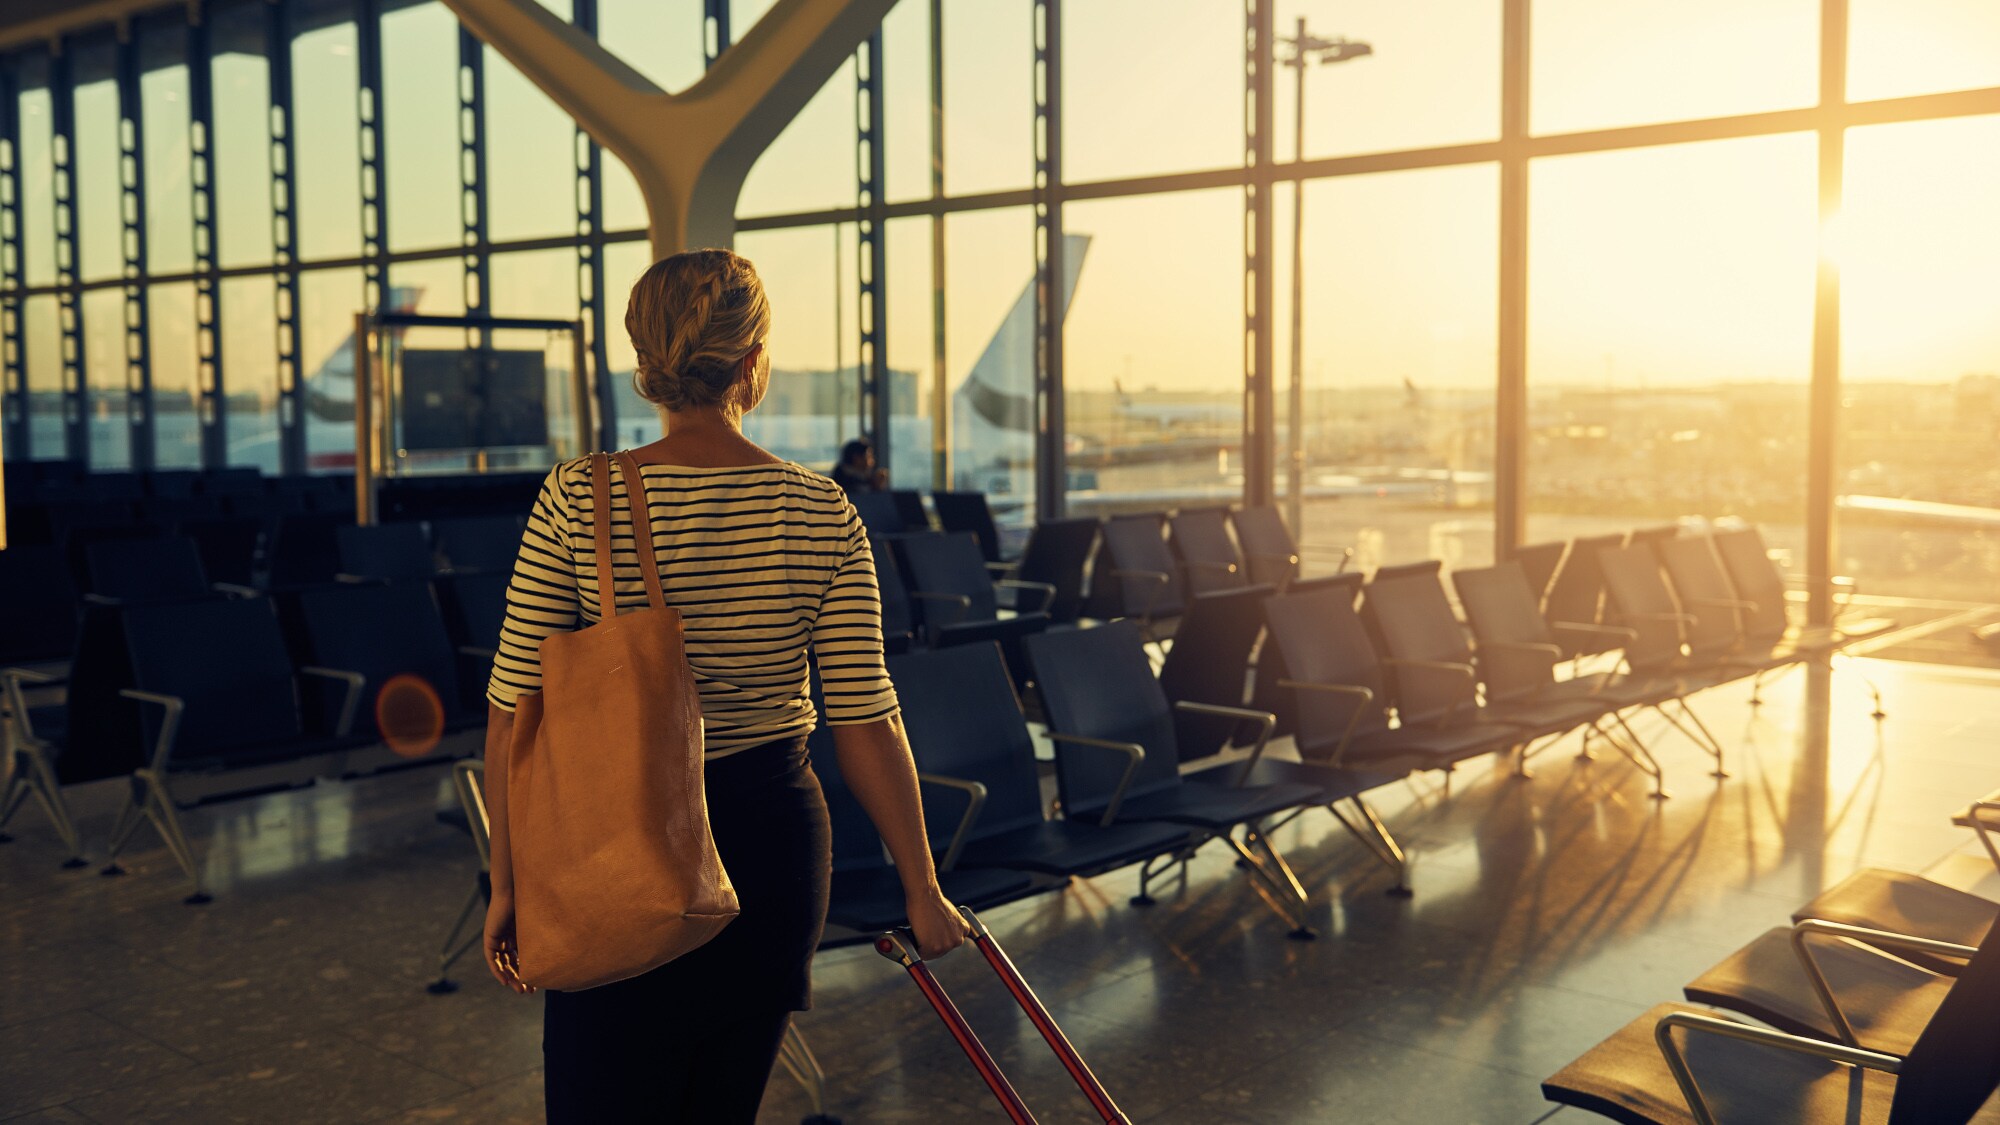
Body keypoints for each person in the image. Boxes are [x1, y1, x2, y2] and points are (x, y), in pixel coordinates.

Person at [480, 248, 970, 1123]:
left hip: (611, 838)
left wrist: (509, 882)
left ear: (646, 361)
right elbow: (866, 718)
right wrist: (922, 885)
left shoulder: (577, 497)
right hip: (771, 842)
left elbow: (516, 710)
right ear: (753, 361)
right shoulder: (823, 509)